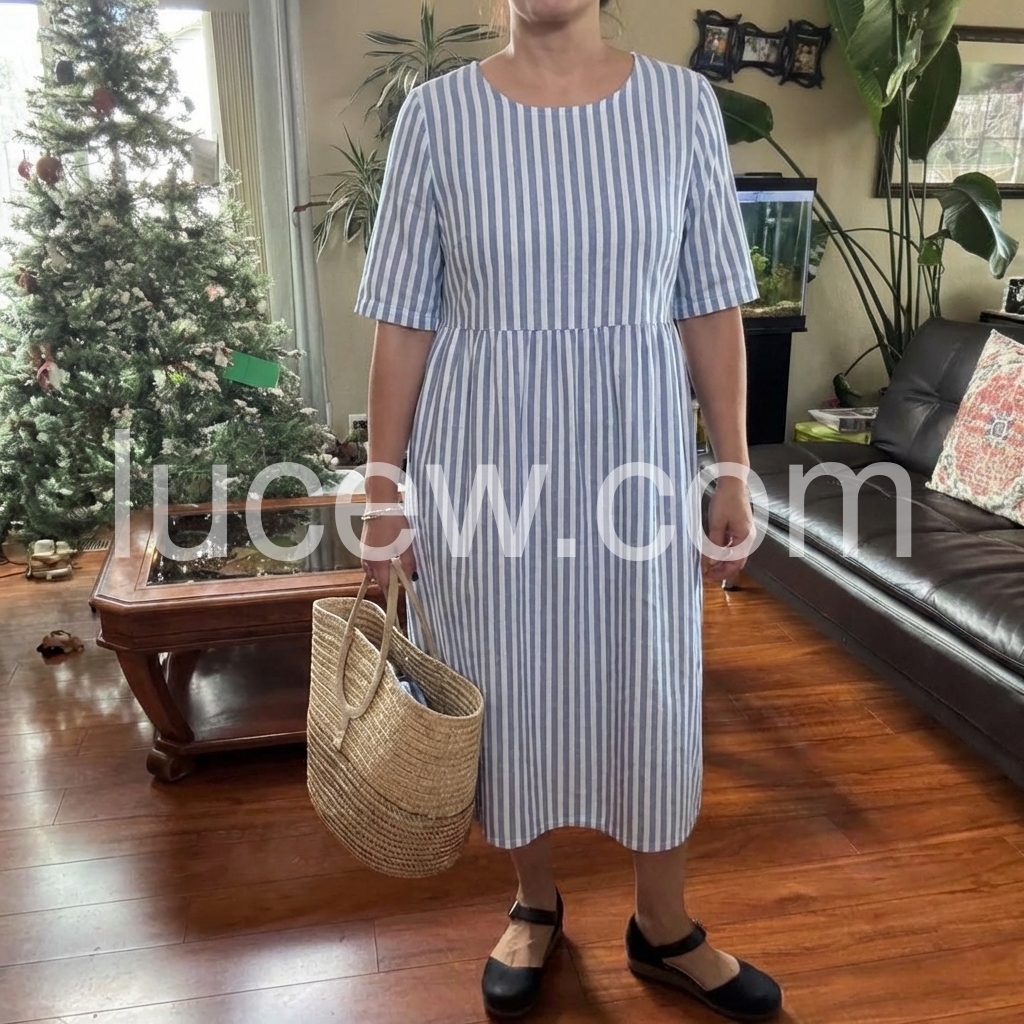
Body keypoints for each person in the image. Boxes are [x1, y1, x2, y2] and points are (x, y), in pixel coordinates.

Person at [354, 0, 782, 1019]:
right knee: (502, 676)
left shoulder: (683, 106)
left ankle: (663, 923)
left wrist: (731, 465)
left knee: (649, 677)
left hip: (634, 454)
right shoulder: (436, 115)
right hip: (481, 455)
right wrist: (382, 484)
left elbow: (711, 302)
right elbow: (403, 319)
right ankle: (533, 902)